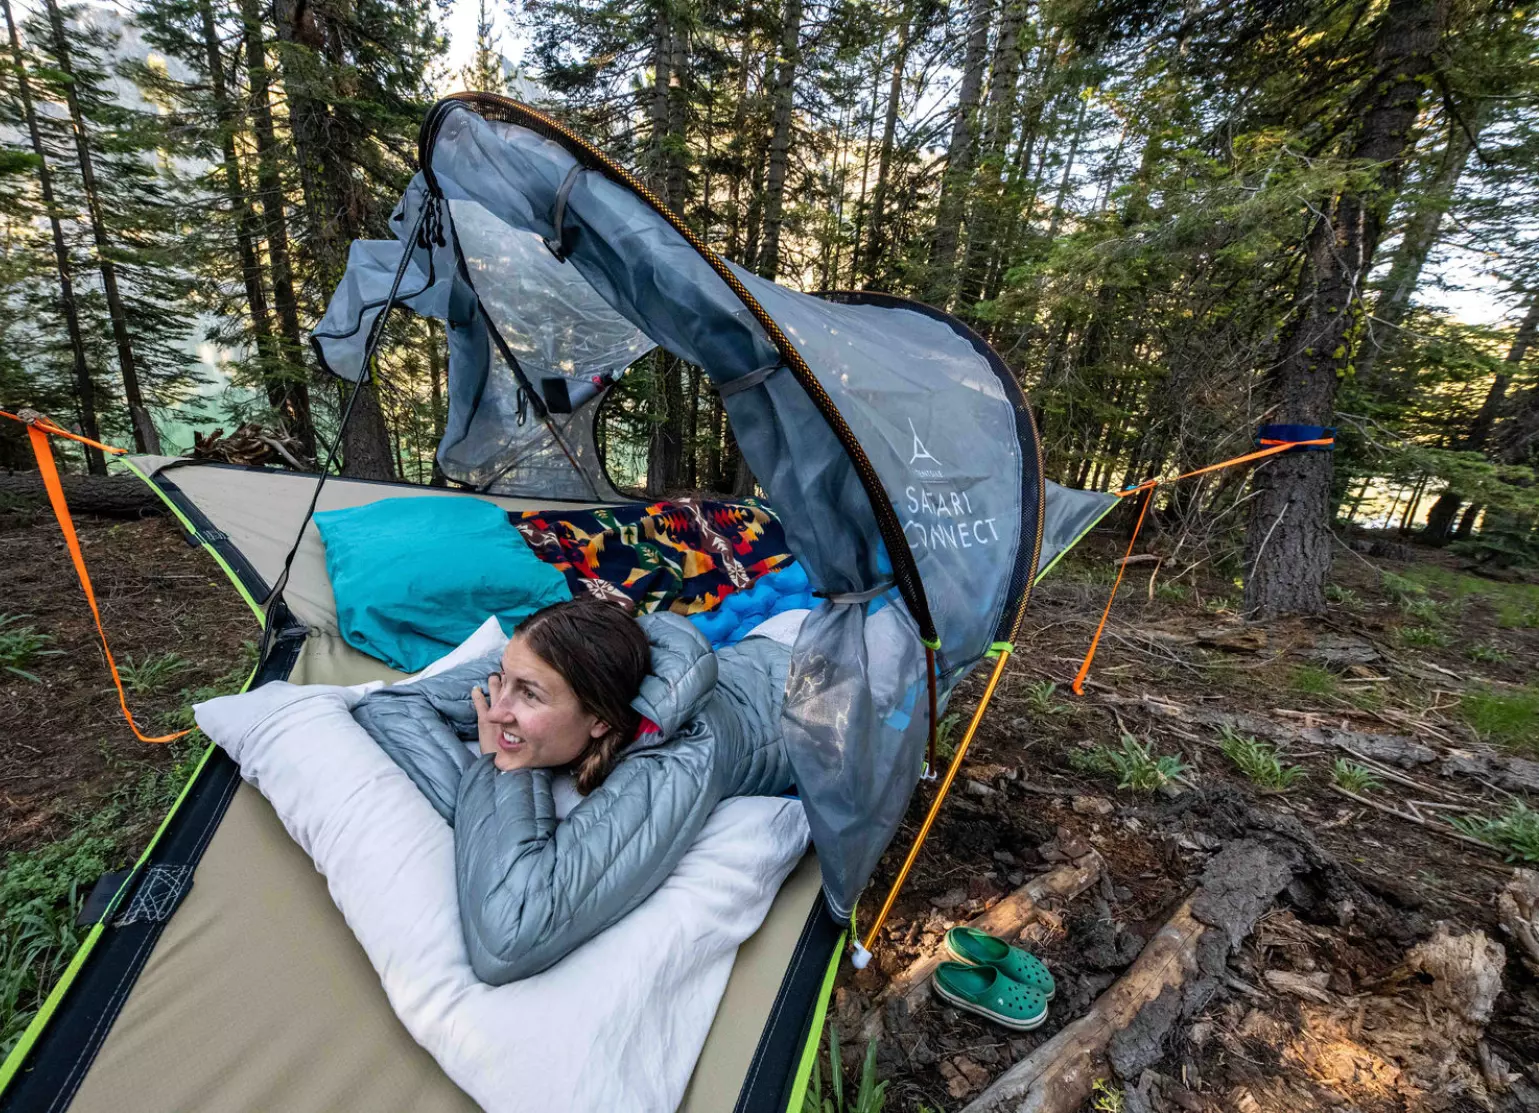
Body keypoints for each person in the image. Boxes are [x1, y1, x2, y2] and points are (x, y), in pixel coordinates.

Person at [350, 596, 795, 984]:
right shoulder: (564, 655)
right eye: (503, 678)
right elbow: (391, 709)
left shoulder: (678, 760)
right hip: (763, 649)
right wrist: (500, 774)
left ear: (600, 720)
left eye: (529, 695)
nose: (497, 710)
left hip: (818, 686)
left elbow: (509, 938)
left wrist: (508, 769)